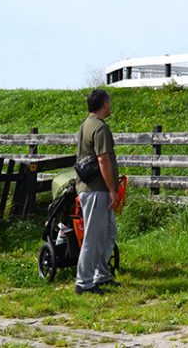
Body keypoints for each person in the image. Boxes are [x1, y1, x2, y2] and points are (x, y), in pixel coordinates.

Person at [75, 88, 122, 295]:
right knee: (93, 237)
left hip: (92, 189)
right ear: (103, 104)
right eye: (108, 102)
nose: (110, 106)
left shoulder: (86, 124)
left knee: (108, 233)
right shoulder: (100, 128)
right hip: (97, 190)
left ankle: (101, 275)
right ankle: (84, 282)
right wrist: (112, 189)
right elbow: (103, 160)